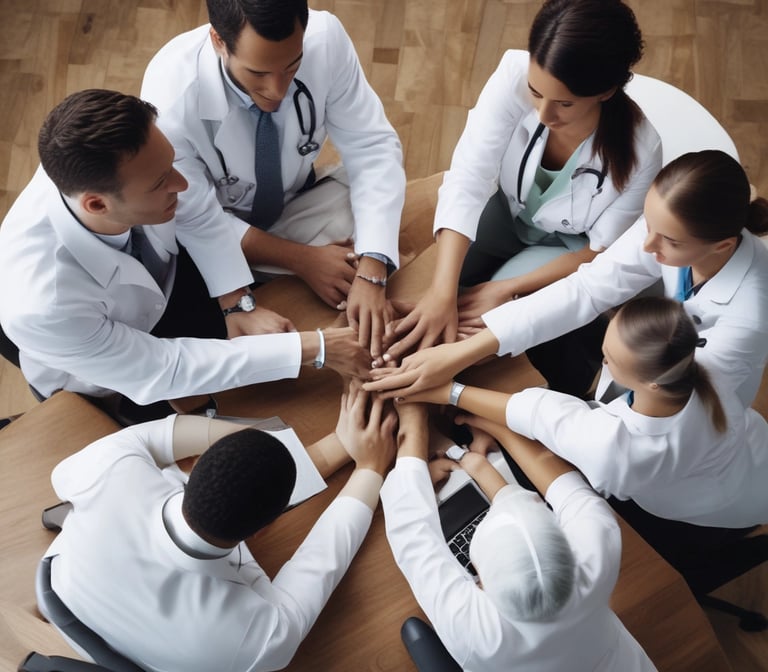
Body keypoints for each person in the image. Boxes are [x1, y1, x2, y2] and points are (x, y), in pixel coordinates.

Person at [0, 89, 369, 421]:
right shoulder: (43, 306)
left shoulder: (129, 157)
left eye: (172, 164)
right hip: (115, 377)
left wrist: (236, 303)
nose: (183, 183)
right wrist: (314, 347)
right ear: (97, 205)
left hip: (171, 284)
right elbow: (163, 370)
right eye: (162, 182)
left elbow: (200, 213)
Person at [366, 150, 768, 409]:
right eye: (648, 225)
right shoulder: (671, 234)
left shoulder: (746, 320)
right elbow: (588, 288)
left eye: (670, 241)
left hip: (684, 405)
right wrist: (463, 352)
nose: (647, 246)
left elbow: (671, 410)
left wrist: (457, 388)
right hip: (644, 366)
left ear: (721, 246)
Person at [41, 383, 396, 672]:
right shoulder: (253, 638)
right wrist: (372, 467)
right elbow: (320, 560)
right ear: (261, 531)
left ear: (196, 465)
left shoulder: (107, 468)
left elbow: (158, 435)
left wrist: (339, 445)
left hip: (70, 597)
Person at [388, 0, 662, 363]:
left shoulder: (643, 151)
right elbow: (470, 176)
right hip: (503, 210)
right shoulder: (511, 75)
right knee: (420, 291)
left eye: (564, 104)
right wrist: (441, 292)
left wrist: (507, 289)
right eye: (536, 92)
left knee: (483, 329)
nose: (544, 114)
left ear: (606, 92)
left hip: (566, 247)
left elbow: (598, 252)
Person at [140, 0, 406, 358]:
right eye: (258, 73)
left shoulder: (325, 39)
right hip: (210, 238)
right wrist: (303, 260)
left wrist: (373, 270)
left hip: (290, 203)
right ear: (218, 41)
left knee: (378, 231)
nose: (277, 90)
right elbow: (195, 217)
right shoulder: (171, 96)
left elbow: (371, 148)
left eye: (292, 65)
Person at [395, 297, 768, 529]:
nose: (603, 360)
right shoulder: (698, 363)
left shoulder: (621, 449)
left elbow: (541, 415)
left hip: (730, 499)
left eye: (611, 359)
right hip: (752, 451)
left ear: (652, 384)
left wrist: (449, 391)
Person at [380, 402, 657, 671]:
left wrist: (413, 419)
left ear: (480, 580)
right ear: (568, 544)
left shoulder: (476, 635)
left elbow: (409, 526)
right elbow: (568, 488)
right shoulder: (597, 554)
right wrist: (479, 460)